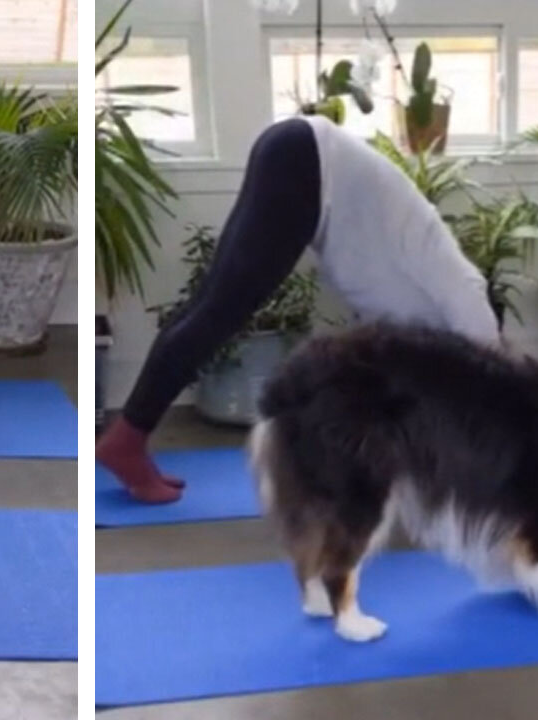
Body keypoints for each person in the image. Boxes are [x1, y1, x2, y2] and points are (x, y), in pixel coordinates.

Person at [96, 114, 499, 504]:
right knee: (215, 315)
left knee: (208, 308)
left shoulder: (418, 350)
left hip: (299, 155)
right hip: (310, 164)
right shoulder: (470, 316)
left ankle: (127, 439)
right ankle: (127, 442)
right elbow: (490, 395)